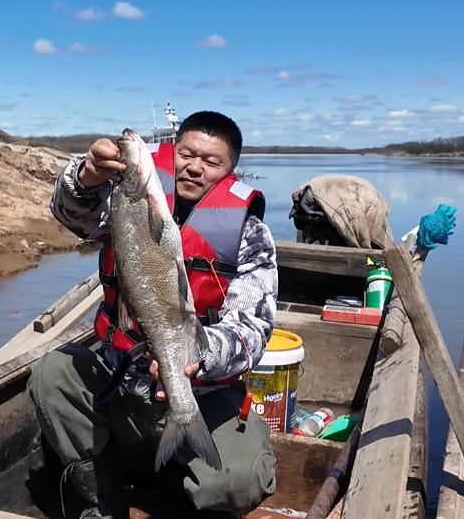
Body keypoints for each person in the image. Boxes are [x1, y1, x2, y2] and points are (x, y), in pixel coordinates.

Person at [28, 111, 278, 519]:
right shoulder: (125, 200)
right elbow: (70, 214)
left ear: (231, 169)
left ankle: (185, 481)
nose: (194, 167)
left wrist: (198, 357)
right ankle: (103, 502)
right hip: (121, 385)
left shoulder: (250, 234)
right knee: (51, 373)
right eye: (186, 154)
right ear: (171, 151)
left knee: (240, 479)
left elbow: (254, 329)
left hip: (203, 394)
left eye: (211, 162)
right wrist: (86, 177)